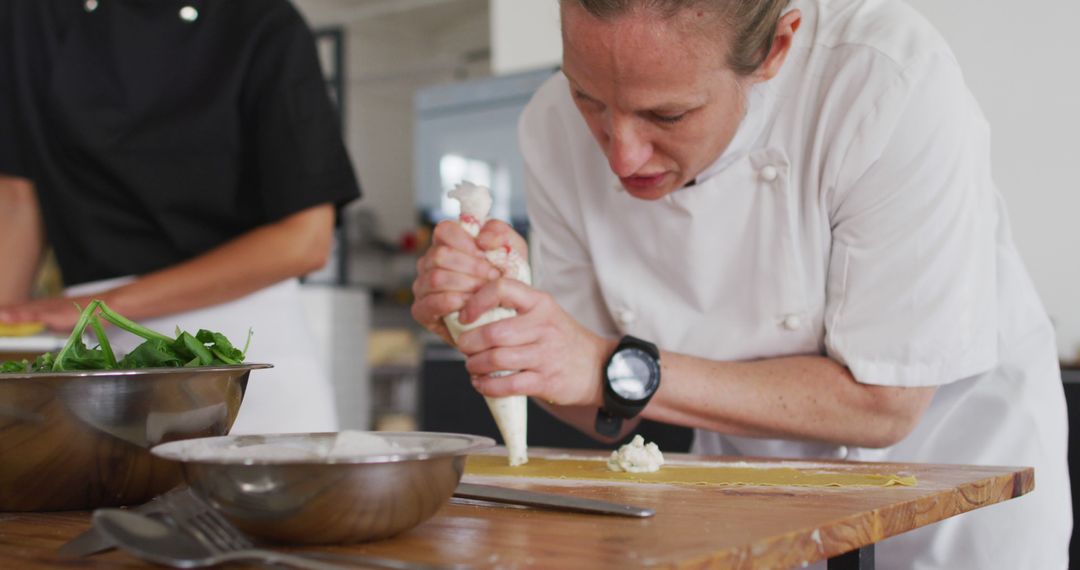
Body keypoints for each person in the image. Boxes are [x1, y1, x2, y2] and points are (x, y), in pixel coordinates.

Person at [410, 0, 1071, 567]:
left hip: (953, 493)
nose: (620, 154)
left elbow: (884, 404)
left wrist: (609, 365)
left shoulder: (883, 84)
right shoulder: (549, 127)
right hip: (743, 491)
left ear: (778, 47)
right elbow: (604, 408)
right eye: (590, 99)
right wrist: (503, 331)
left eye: (666, 116)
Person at [0, 0, 361, 434]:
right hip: (92, 362)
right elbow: (18, 198)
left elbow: (304, 242)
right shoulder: (29, 15)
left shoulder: (263, 20)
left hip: (248, 363)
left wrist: (102, 309)